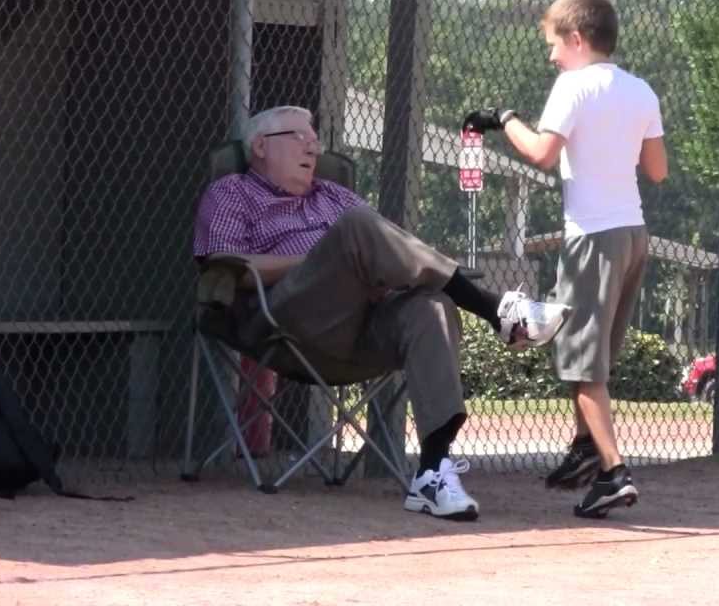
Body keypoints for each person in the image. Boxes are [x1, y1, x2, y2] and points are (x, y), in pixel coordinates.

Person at [193, 105, 571, 521]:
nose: (313, 147)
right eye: (299, 137)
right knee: (357, 226)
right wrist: (316, 259)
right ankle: (494, 307)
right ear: (261, 146)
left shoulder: (334, 194)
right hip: (285, 322)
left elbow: (383, 250)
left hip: (360, 328)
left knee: (433, 306)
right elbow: (223, 264)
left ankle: (432, 472)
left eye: (315, 139)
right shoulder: (234, 191)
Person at [462, 0, 668, 518]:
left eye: (555, 43)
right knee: (597, 356)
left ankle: (613, 472)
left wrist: (504, 118)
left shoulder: (572, 85)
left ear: (577, 39)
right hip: (633, 234)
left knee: (582, 366)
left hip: (591, 238)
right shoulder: (641, 90)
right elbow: (658, 171)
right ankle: (584, 449)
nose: (552, 55)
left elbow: (540, 153)